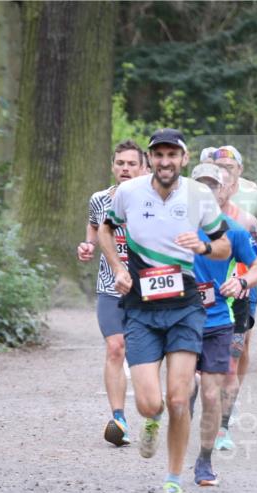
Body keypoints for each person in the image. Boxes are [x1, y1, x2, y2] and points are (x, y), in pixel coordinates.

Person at [99, 128, 231, 493]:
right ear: (150, 159)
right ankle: (151, 421)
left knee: (178, 398)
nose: (165, 161)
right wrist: (118, 267)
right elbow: (106, 230)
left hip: (185, 308)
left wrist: (204, 244)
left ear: (184, 159)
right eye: (159, 155)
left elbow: (223, 246)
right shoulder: (128, 193)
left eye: (173, 155)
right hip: (141, 309)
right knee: (149, 404)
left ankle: (173, 481)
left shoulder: (199, 195)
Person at [188, 163, 257, 486]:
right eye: (199, 186)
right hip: (181, 317)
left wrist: (243, 283)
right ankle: (174, 433)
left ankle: (204, 462)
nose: (206, 192)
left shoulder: (234, 229)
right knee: (180, 394)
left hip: (219, 318)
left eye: (212, 186)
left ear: (223, 191)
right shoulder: (172, 226)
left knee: (210, 394)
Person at [77, 140, 149, 446]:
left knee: (146, 356)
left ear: (143, 168)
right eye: (120, 163)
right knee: (115, 348)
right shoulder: (99, 199)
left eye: (132, 164)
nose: (126, 169)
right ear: (113, 166)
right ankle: (118, 419)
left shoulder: (153, 200)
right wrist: (89, 246)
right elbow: (94, 228)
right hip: (109, 286)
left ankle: (154, 413)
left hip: (147, 289)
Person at [209, 145, 257, 448]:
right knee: (195, 369)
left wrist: (244, 280)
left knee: (231, 363)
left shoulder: (247, 219)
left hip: (237, 297)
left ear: (233, 182)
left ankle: (223, 428)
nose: (217, 184)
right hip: (198, 297)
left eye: (224, 176)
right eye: (210, 181)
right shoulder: (186, 215)